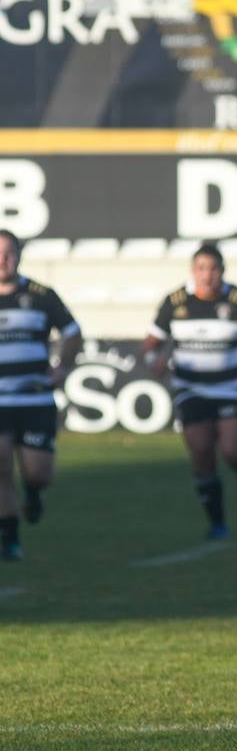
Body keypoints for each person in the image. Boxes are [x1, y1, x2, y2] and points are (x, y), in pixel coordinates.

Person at [142, 244, 237, 540]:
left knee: (234, 451)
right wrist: (156, 362)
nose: (207, 276)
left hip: (231, 388)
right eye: (201, 269)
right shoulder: (175, 302)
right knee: (201, 451)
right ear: (193, 271)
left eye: (213, 269)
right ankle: (217, 522)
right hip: (191, 388)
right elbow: (150, 344)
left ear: (223, 271)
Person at [0, 229, 82, 561]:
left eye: (8, 253)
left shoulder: (41, 295)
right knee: (0, 465)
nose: (2, 260)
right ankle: (10, 539)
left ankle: (33, 493)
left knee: (38, 474)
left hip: (34, 398)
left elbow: (73, 332)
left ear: (19, 256)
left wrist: (62, 366)